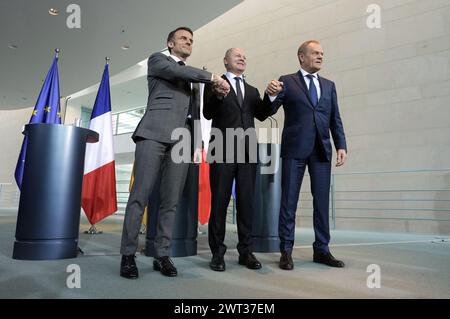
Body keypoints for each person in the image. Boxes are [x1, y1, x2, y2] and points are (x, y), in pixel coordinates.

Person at [120, 27, 230, 279]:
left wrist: (196, 144)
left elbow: (196, 113)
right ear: (170, 43)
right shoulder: (158, 60)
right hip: (153, 134)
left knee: (170, 201)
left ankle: (162, 254)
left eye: (191, 40)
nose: (189, 42)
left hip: (182, 143)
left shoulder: (193, 80)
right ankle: (128, 255)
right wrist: (213, 76)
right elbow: (176, 71)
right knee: (140, 196)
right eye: (183, 38)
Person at [265, 40, 347, 270]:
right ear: (301, 56)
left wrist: (341, 145)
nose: (320, 56)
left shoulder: (329, 85)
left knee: (322, 203)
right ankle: (286, 251)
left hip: (322, 150)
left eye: (322, 53)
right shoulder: (287, 81)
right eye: (315, 53)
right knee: (288, 201)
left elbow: (335, 118)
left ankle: (322, 250)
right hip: (294, 150)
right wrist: (271, 95)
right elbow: (268, 110)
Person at [203, 48, 271, 271]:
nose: (242, 58)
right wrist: (219, 94)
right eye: (237, 55)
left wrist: (271, 96)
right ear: (225, 61)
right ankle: (217, 253)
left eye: (245, 56)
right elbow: (207, 112)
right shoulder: (214, 84)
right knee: (220, 203)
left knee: (246, 203)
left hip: (248, 154)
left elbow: (262, 114)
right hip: (221, 150)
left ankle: (245, 252)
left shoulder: (252, 90)